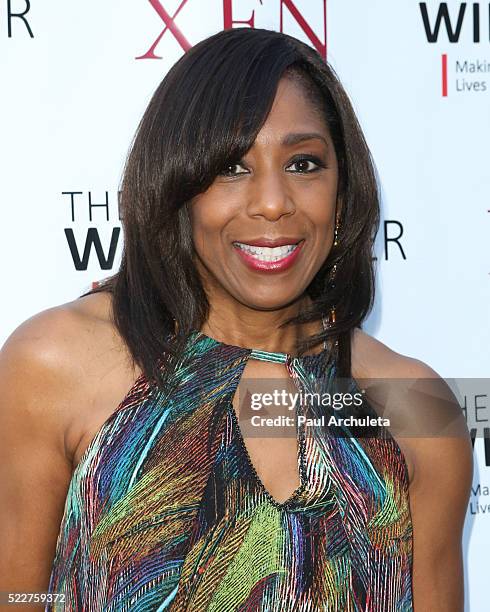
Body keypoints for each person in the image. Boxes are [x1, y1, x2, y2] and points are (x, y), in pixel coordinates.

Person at [0, 27, 472, 612]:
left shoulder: (416, 408)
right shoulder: (57, 362)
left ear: (343, 190)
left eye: (304, 163)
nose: (273, 202)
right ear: (178, 188)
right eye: (231, 168)